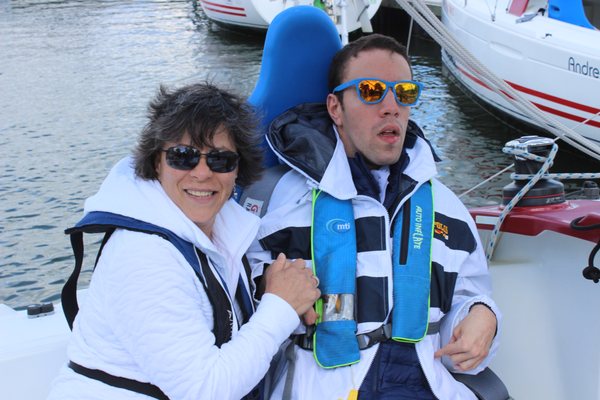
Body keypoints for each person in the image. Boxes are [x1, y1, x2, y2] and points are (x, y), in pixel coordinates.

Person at [244, 34, 501, 400]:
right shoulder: (283, 202)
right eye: (371, 90)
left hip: (427, 380)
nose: (391, 106)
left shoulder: (446, 208)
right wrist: (269, 286)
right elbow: (239, 296)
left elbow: (468, 296)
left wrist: (482, 316)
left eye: (405, 93)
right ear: (335, 107)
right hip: (327, 383)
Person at [47, 82, 321, 400]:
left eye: (220, 160)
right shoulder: (142, 255)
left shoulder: (216, 234)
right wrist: (281, 307)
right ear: (156, 163)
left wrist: (269, 294)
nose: (202, 173)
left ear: (237, 171)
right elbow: (204, 391)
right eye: (183, 156)